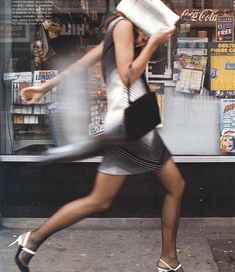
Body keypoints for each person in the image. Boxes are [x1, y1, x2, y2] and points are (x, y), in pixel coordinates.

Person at [9, 6, 185, 272]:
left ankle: (168, 260)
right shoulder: (124, 26)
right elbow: (128, 76)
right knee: (167, 188)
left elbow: (80, 64)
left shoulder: (117, 28)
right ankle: (168, 261)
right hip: (131, 126)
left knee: (111, 198)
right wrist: (153, 43)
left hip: (131, 125)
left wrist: (43, 87)